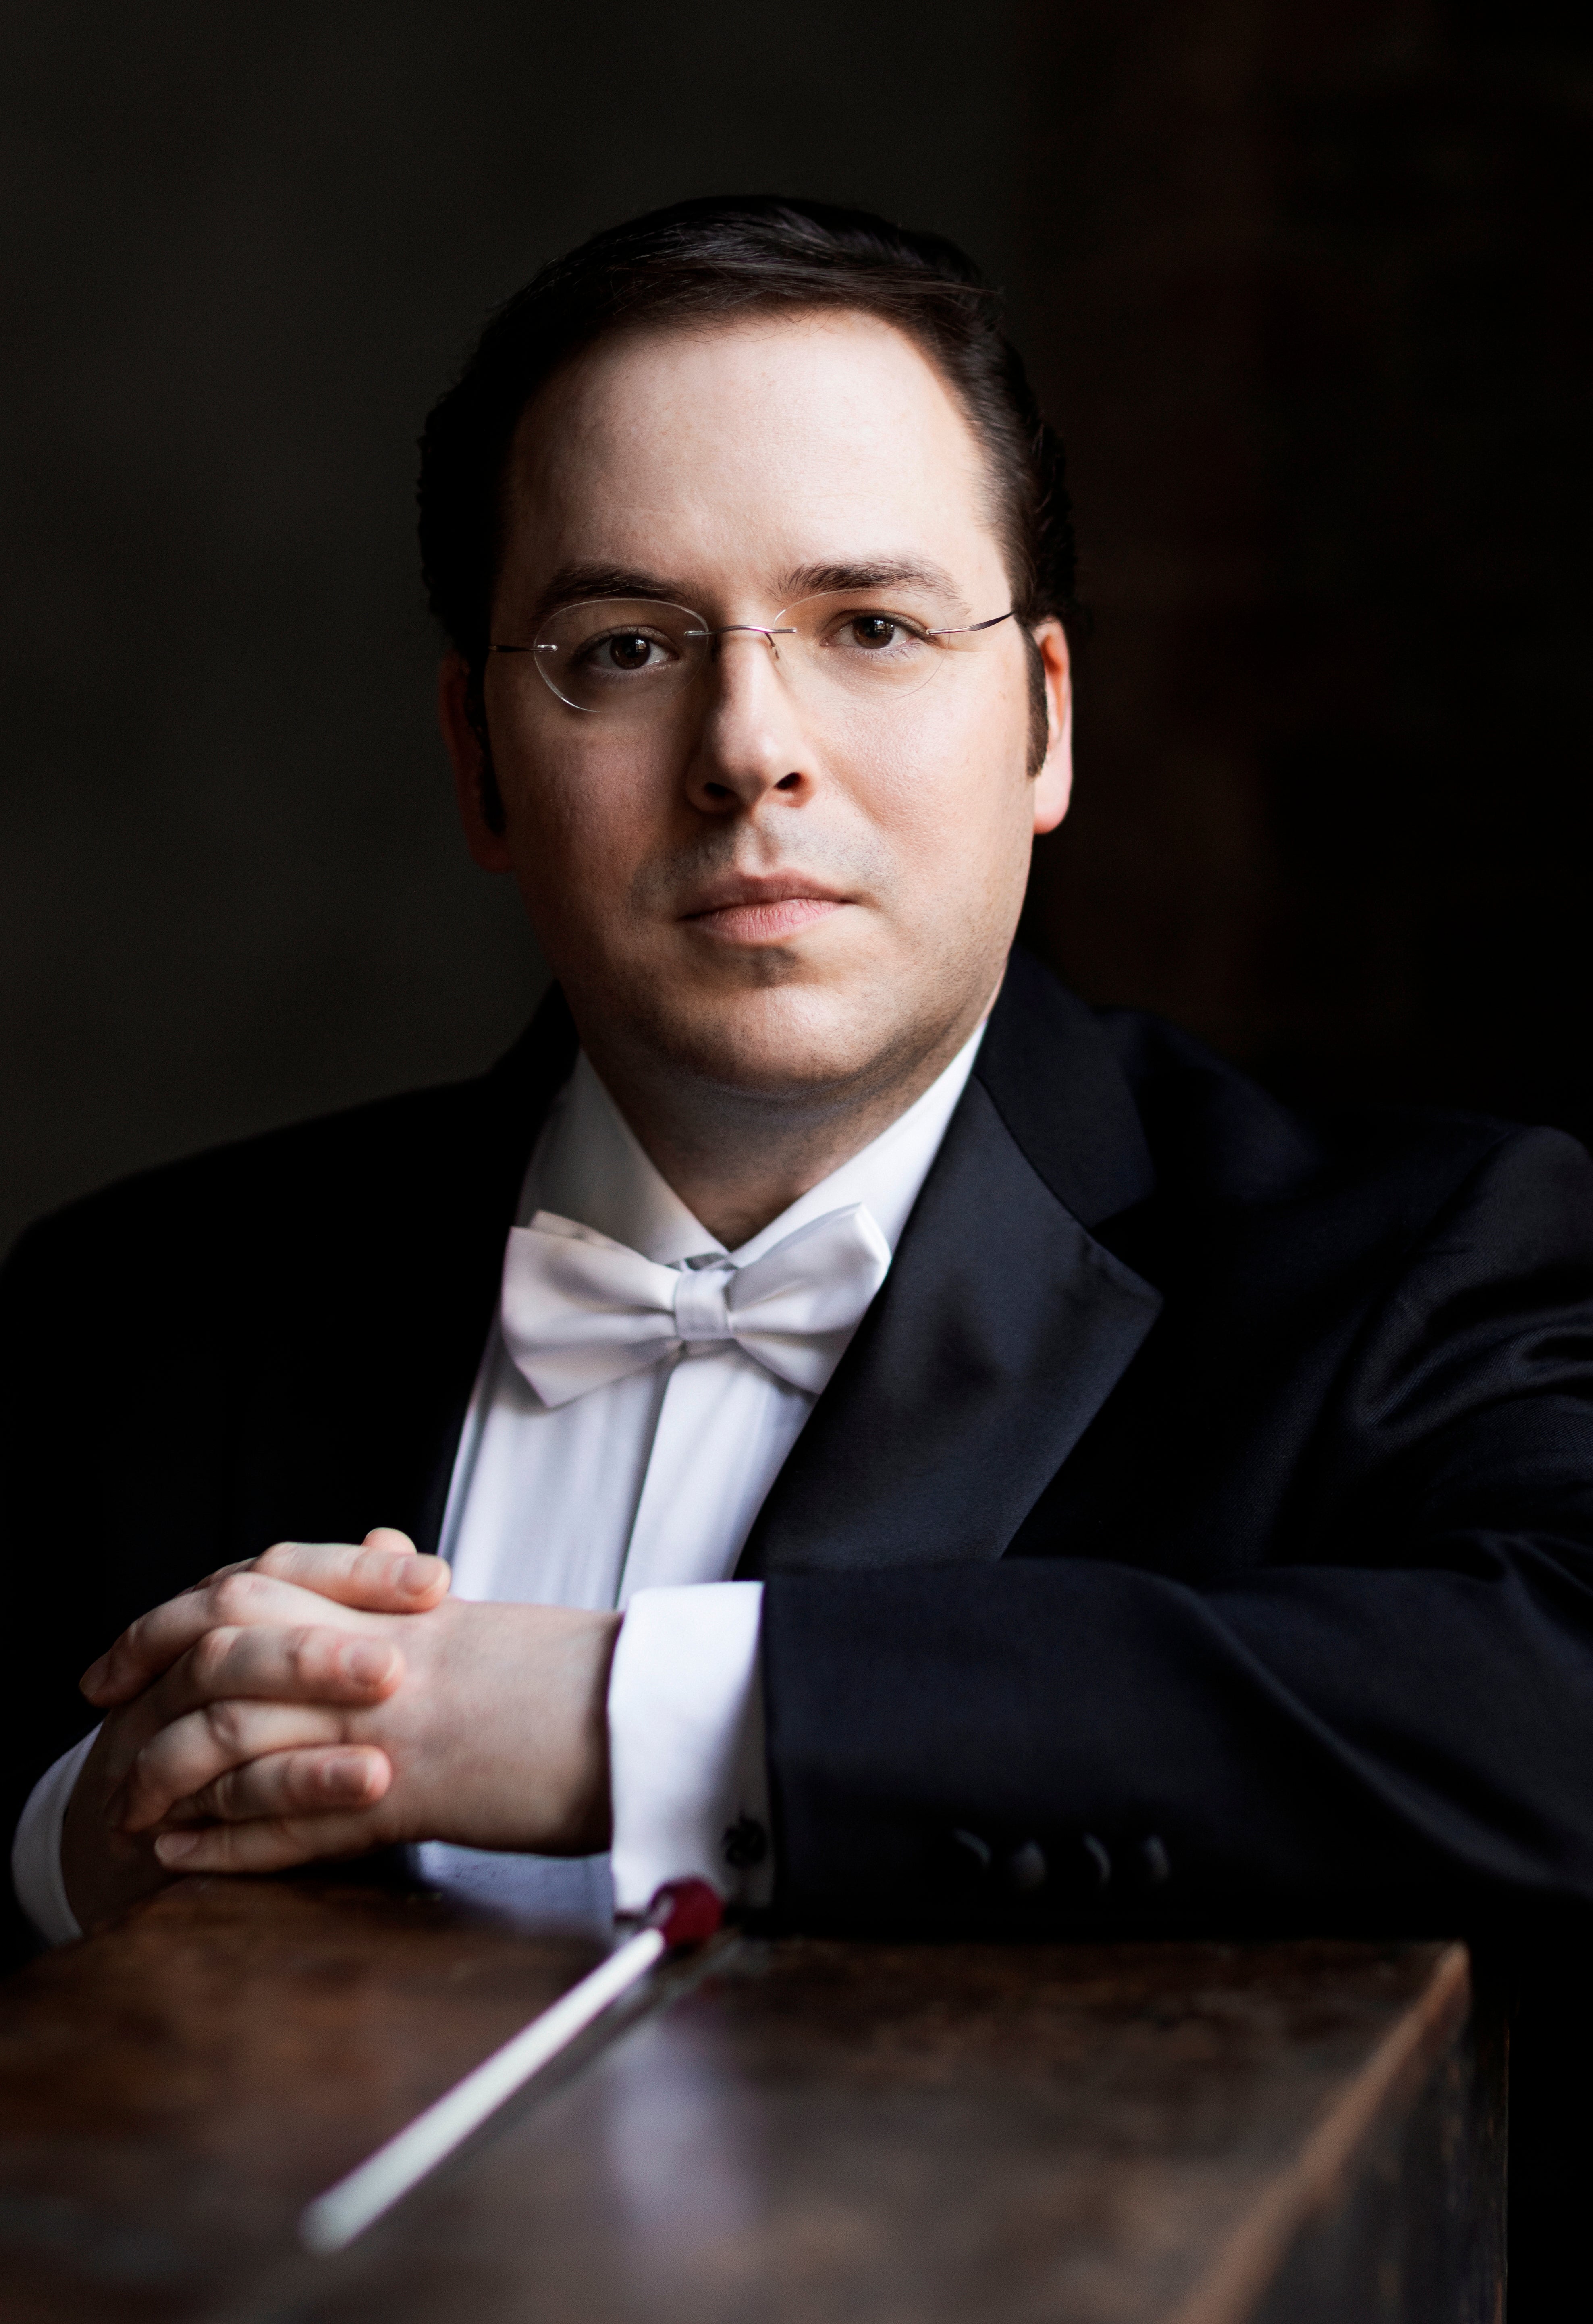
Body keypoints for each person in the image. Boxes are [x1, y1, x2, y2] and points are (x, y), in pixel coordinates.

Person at [4, 197, 1592, 2005]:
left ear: (1043, 721)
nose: (751, 745)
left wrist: (630, 1715)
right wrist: (70, 1843)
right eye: (624, 644)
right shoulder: (119, 1309)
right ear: (478, 765)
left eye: (869, 626)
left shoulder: (1407, 1267)